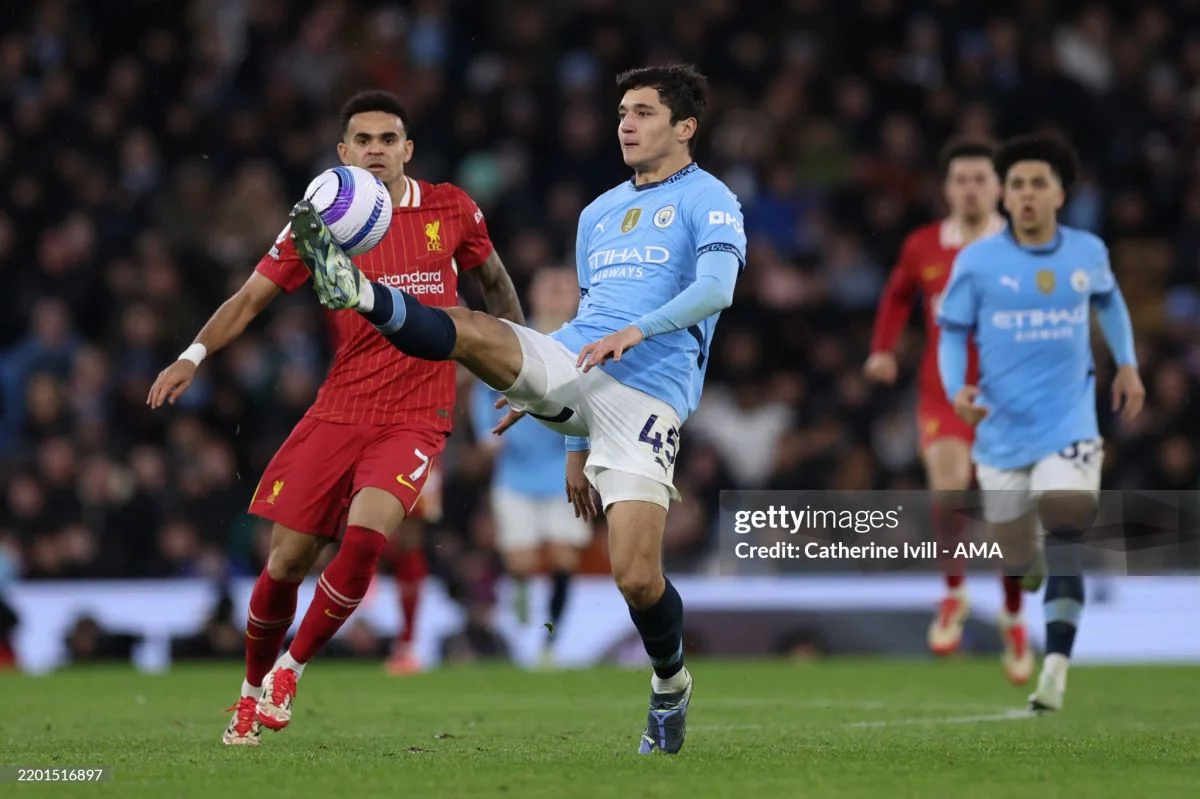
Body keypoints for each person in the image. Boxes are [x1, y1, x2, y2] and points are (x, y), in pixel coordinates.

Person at [289, 64, 744, 755]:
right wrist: (564, 428)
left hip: (651, 390)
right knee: (472, 329)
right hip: (580, 361)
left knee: (636, 576)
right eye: (623, 110)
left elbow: (716, 288)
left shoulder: (709, 200)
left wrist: (639, 332)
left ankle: (670, 681)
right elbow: (592, 316)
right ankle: (359, 290)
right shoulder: (598, 212)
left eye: (645, 113)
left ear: (685, 128)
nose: (627, 123)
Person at [146, 90, 524, 745]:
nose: (376, 149)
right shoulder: (318, 224)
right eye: (363, 139)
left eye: (389, 138)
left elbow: (493, 279)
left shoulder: (451, 208)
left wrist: (524, 365)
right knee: (286, 562)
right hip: (340, 409)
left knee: (369, 537)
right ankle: (248, 691)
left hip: (416, 414)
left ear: (408, 148)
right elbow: (251, 297)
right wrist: (193, 354)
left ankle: (291, 670)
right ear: (343, 152)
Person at [937, 134, 1145, 712]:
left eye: (1038, 184)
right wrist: (958, 391)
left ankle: (1054, 670)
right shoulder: (977, 261)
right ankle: (1029, 572)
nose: (1026, 194)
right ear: (1006, 195)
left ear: (1060, 194)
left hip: (1070, 425)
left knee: (1067, 527)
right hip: (1001, 435)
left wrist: (1126, 364)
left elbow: (1109, 301)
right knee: (1020, 559)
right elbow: (952, 332)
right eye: (1019, 185)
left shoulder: (1087, 251)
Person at [864, 138, 1033, 684]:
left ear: (1000, 188)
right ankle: (955, 594)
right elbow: (896, 295)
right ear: (947, 188)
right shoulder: (924, 246)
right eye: (961, 179)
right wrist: (883, 349)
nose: (970, 188)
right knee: (949, 486)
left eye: (981, 179)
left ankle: (1012, 617)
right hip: (944, 393)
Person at [469, 267, 592, 668]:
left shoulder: (586, 341)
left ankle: (549, 640)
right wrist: (486, 436)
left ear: (577, 297)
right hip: (516, 468)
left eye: (564, 288)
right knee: (520, 562)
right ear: (533, 295)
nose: (556, 293)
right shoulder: (515, 336)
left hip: (563, 464)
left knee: (563, 558)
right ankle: (519, 588)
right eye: (549, 286)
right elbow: (482, 384)